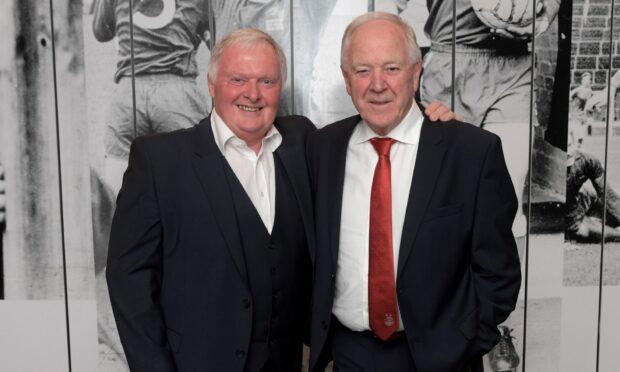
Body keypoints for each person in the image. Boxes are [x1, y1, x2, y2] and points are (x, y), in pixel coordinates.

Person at [307, 12, 521, 372]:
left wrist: (463, 341)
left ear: (416, 72)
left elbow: (499, 272)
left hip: (443, 358)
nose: (377, 84)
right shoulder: (321, 149)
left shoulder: (471, 152)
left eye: (391, 68)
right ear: (346, 80)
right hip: (349, 355)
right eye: (362, 71)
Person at [106, 29, 315, 372]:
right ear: (211, 84)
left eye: (267, 81)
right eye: (238, 79)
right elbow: (128, 280)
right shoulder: (159, 161)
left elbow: (362, 137)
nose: (253, 93)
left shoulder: (303, 142)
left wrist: (432, 119)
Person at [420, 0, 561, 239]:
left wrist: (543, 19)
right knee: (446, 203)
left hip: (514, 69)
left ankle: (504, 276)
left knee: (507, 201)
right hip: (449, 67)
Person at [566, 131, 620, 243]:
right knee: (579, 230)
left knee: (590, 193)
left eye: (569, 145)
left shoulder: (588, 161)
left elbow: (609, 196)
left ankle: (592, 220)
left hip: (581, 201)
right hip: (566, 211)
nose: (567, 153)